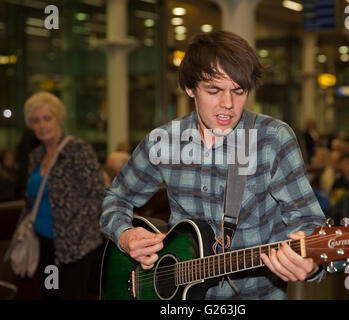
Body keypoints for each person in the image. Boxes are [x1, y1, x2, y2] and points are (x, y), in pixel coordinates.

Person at [100, 31, 326, 300]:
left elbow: (309, 222)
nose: (227, 104)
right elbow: (115, 198)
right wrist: (125, 235)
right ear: (190, 88)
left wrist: (313, 265)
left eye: (238, 91)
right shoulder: (163, 142)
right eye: (214, 90)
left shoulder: (271, 139)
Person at [18, 91, 105, 299]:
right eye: (36, 120)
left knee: (70, 295)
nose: (42, 125)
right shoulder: (35, 155)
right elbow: (30, 199)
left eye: (47, 118)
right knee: (51, 293)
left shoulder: (78, 150)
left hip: (75, 249)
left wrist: (72, 231)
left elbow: (98, 196)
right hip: (45, 247)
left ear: (59, 119)